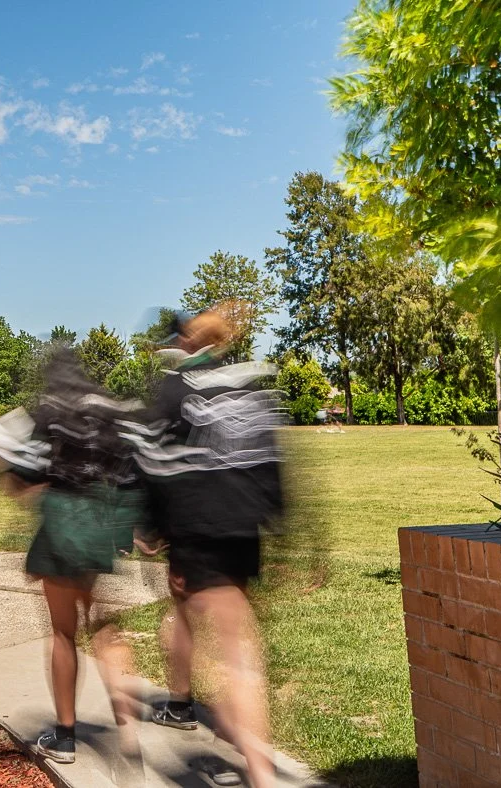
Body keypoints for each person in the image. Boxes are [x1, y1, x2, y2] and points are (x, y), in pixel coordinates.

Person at [125, 306, 283, 788]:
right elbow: (272, 461)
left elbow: (149, 458)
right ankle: (182, 704)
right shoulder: (249, 388)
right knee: (220, 630)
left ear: (189, 342)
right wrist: (284, 523)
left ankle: (255, 768)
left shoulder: (176, 389)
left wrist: (148, 527)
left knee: (217, 639)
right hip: (242, 531)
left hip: (197, 531)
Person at [0, 347, 145, 766]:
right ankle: (130, 735)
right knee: (105, 628)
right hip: (99, 526)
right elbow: (128, 474)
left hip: (61, 527)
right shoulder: (108, 412)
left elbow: (23, 475)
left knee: (64, 634)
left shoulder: (48, 412)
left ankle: (65, 736)